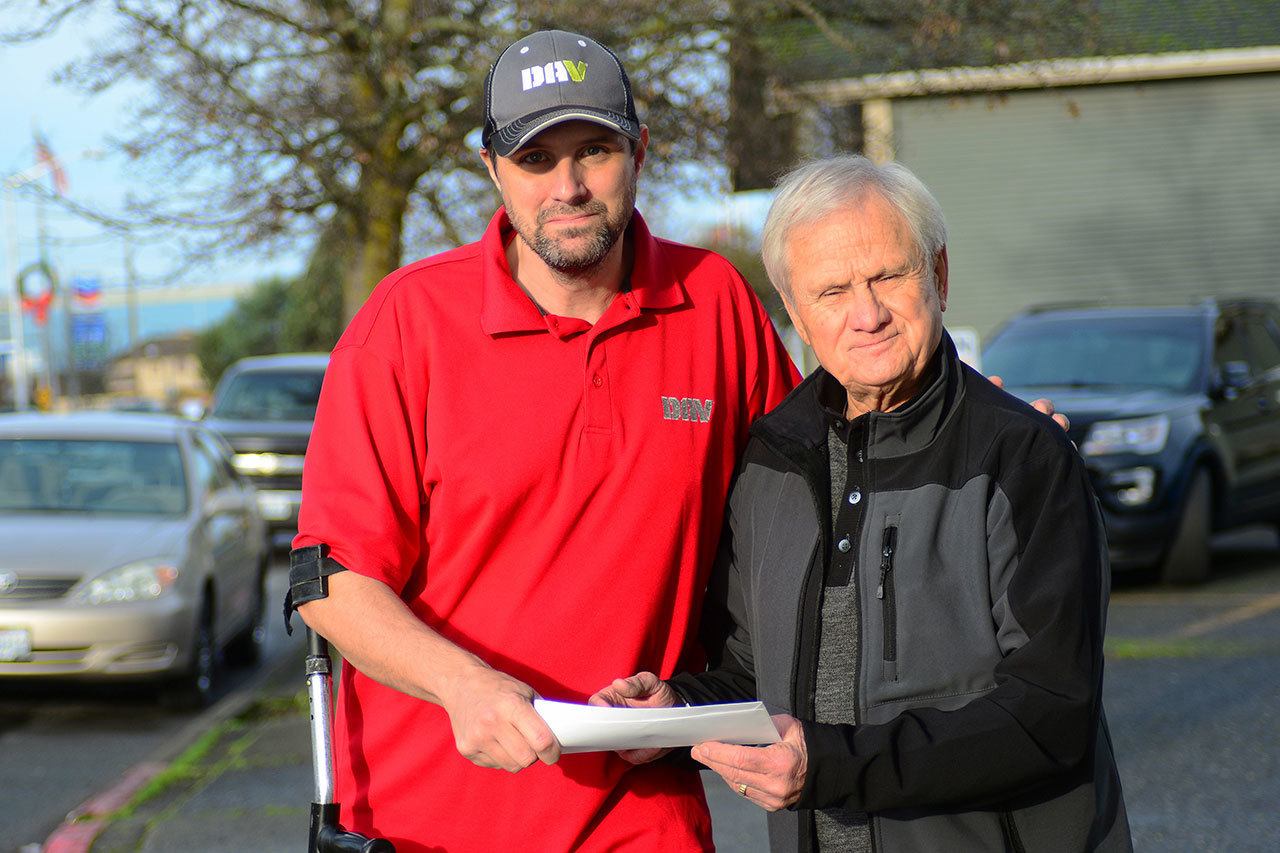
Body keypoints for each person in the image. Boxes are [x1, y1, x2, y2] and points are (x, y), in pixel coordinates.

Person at [291, 29, 799, 851]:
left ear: (640, 149)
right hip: (428, 823)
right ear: (492, 170)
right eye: (534, 160)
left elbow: (817, 495)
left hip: (644, 817)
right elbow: (333, 579)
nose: (567, 186)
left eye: (593, 149)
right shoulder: (405, 324)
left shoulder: (715, 305)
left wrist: (974, 428)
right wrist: (464, 687)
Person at [592, 156, 1132, 852]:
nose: (867, 313)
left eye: (887, 276)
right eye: (833, 290)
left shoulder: (1023, 457)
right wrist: (678, 713)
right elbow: (752, 672)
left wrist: (832, 764)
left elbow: (1050, 709)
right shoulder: (771, 459)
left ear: (938, 275)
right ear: (796, 312)